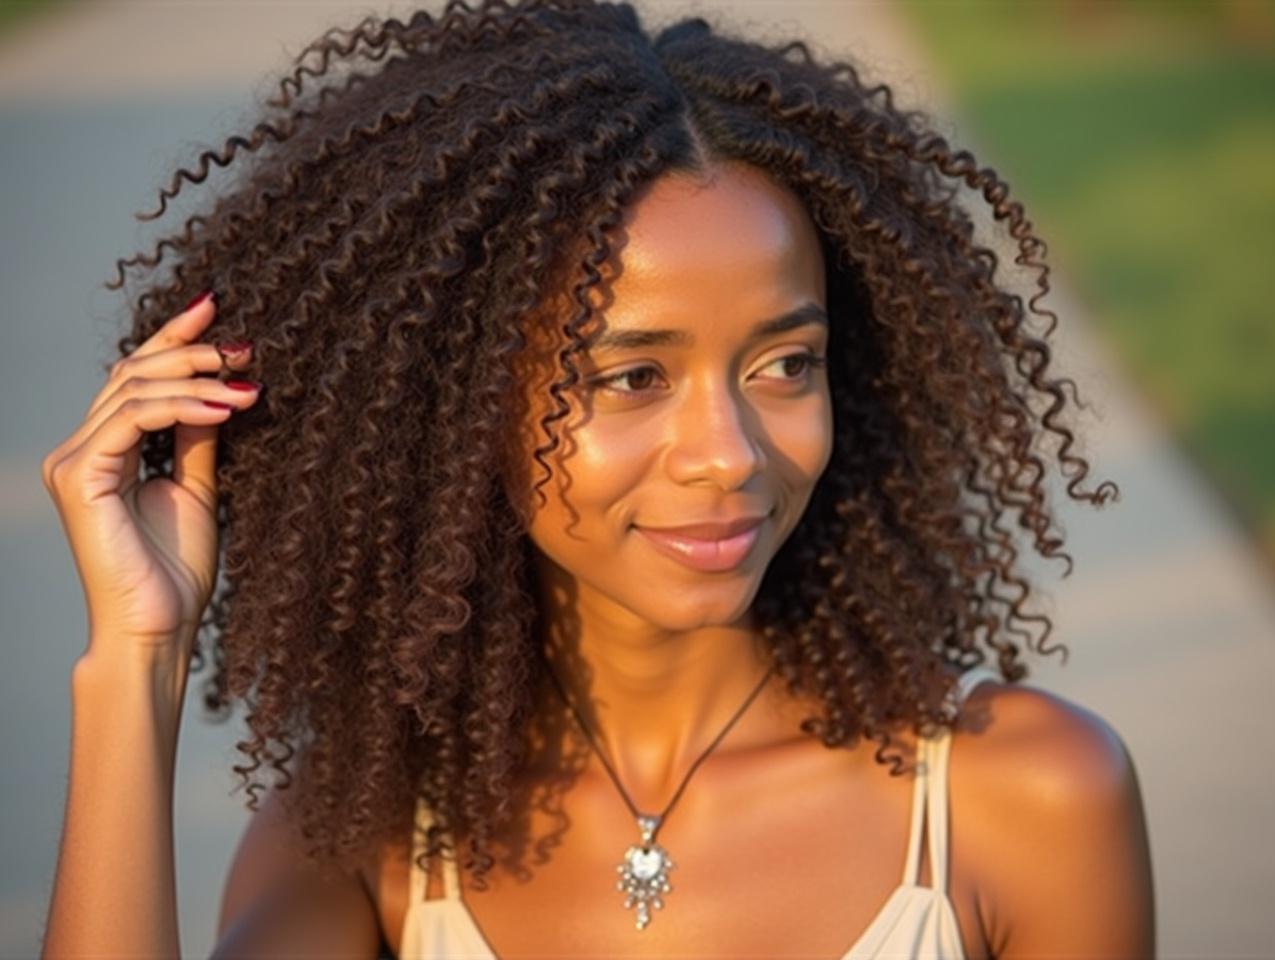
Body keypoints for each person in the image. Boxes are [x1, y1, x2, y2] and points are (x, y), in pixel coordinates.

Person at [38, 1, 1154, 957]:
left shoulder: (1022, 796)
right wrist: (137, 661)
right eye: (630, 375)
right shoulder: (366, 842)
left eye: (783, 364)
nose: (727, 453)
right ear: (458, 404)